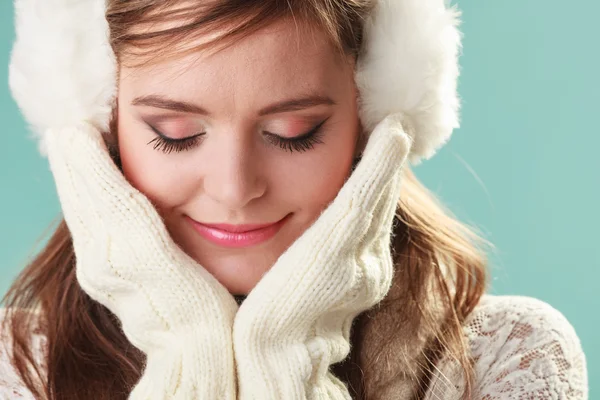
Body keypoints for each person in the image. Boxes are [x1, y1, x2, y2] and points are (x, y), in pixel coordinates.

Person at [0, 0, 588, 399]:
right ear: (97, 127)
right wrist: (188, 354)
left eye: (293, 132)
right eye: (175, 136)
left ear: (375, 121)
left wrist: (287, 364)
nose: (235, 188)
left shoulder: (506, 359)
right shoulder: (15, 370)